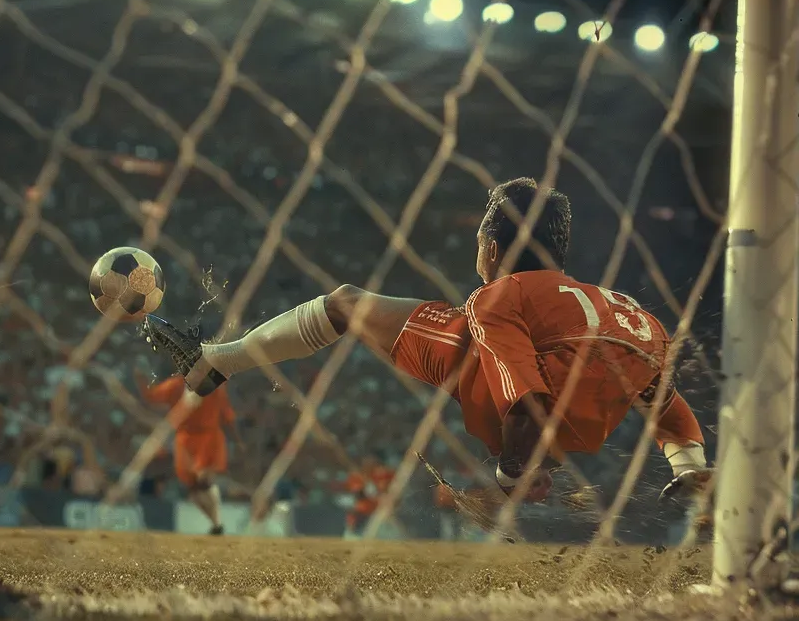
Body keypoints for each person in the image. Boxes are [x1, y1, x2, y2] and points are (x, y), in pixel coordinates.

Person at [141, 178, 711, 506]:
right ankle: (215, 360)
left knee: (344, 302)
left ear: (490, 246)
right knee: (351, 305)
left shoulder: (500, 295)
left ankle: (217, 361)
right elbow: (665, 404)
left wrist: (512, 475)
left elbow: (527, 404)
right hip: (584, 400)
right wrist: (689, 466)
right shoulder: (630, 312)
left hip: (513, 398)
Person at [135, 369, 240, 534]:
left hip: (208, 436)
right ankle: (216, 524)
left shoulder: (214, 383)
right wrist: (143, 380)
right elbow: (152, 396)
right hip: (185, 439)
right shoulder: (175, 385)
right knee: (193, 488)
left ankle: (217, 523)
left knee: (204, 479)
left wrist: (236, 438)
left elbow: (226, 412)